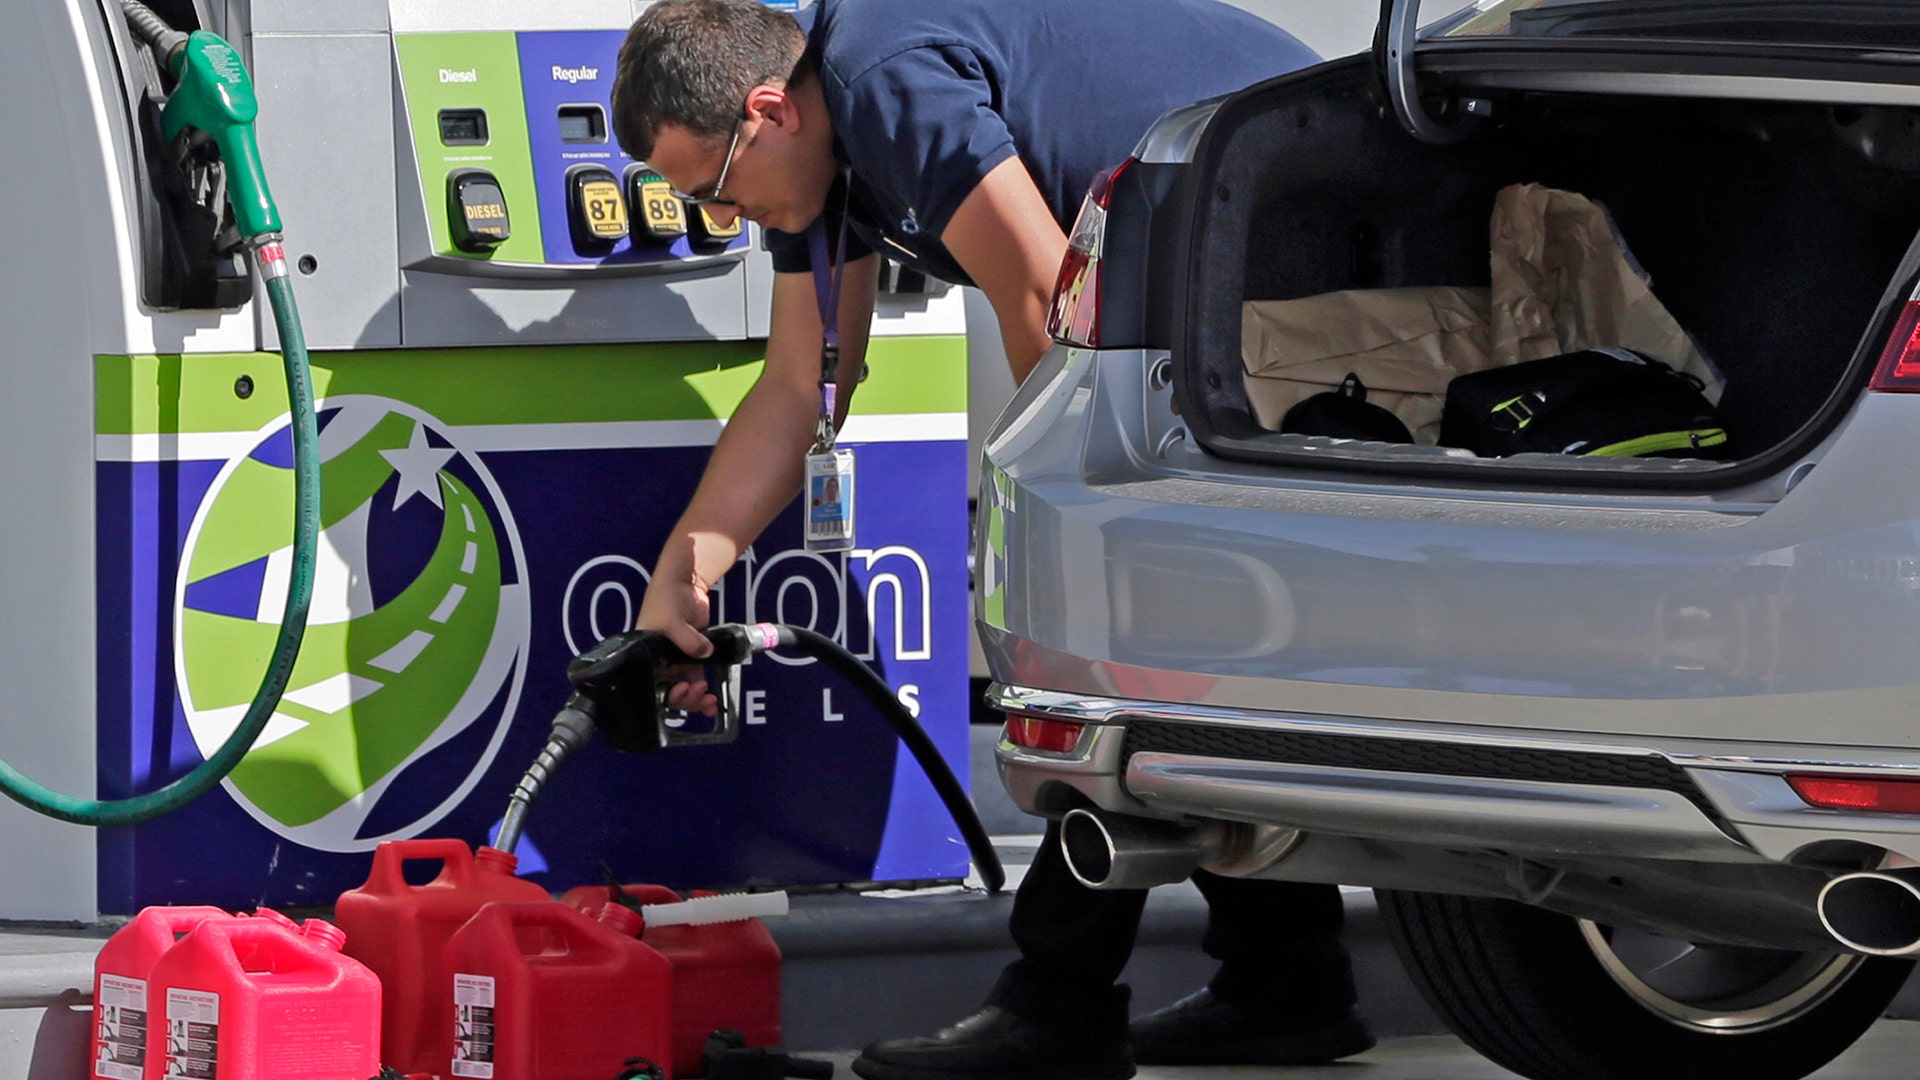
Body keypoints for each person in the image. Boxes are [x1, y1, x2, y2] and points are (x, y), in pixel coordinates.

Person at [610, 2, 1374, 1077]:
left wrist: (1067, 544)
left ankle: (1056, 1011)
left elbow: (1042, 299)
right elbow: (805, 380)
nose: (727, 219)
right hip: (1227, 257)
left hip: (1325, 233)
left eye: (716, 189)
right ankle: (1285, 981)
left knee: (1099, 643)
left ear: (769, 109)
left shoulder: (881, 77)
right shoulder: (816, 151)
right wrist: (686, 570)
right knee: (1188, 641)